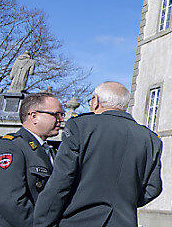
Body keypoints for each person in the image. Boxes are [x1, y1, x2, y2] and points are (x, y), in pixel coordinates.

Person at [33, 82, 163, 227]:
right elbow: (153, 188)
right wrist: (124, 202)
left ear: (96, 101)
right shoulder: (150, 138)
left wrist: (42, 222)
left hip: (78, 219)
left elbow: (61, 180)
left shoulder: (81, 126)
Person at [0, 92, 63, 227]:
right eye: (56, 114)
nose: (60, 119)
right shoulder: (10, 147)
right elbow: (8, 201)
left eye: (61, 115)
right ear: (34, 116)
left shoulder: (50, 152)